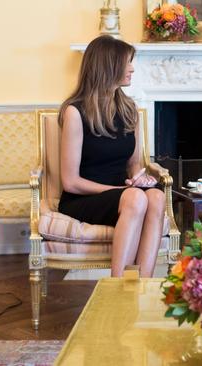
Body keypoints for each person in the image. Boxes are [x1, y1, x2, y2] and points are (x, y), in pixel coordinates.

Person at [58, 35, 166, 278]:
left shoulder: (130, 110)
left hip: (125, 192)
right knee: (136, 199)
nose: (132, 68)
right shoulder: (75, 112)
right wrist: (120, 191)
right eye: (127, 62)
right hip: (82, 198)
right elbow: (70, 182)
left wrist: (140, 178)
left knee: (157, 197)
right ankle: (117, 291)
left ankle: (142, 286)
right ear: (108, 66)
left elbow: (134, 164)